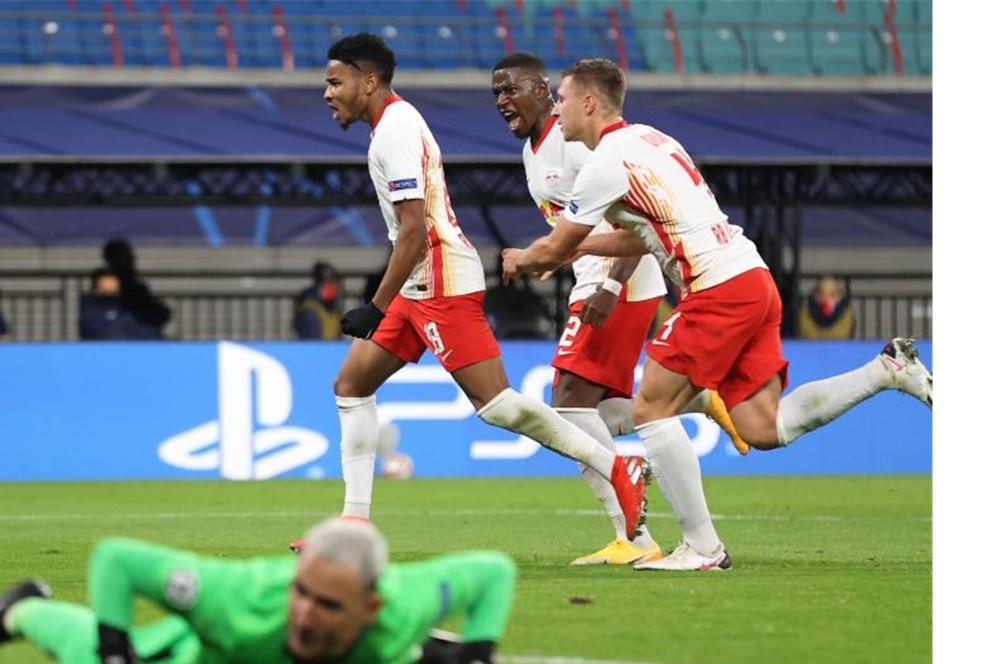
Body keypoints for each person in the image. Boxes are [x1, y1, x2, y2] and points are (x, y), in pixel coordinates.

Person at [502, 58, 932, 571]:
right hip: (751, 274)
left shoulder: (603, 164)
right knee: (764, 426)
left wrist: (523, 258)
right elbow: (634, 234)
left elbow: (554, 249)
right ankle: (884, 371)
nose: (560, 108)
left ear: (589, 103)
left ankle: (703, 548)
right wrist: (560, 253)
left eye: (565, 99)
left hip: (716, 287)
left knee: (649, 409)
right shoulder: (653, 140)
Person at [307, 34, 649, 552]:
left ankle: (616, 467)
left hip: (440, 278)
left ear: (368, 81)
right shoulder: (391, 128)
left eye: (336, 82)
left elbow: (417, 229)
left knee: (498, 407)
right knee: (351, 385)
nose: (328, 93)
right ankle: (354, 523)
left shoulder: (395, 131)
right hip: (421, 280)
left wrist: (375, 306)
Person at [492, 52, 751, 567]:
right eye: (495, 94)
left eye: (511, 89)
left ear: (544, 90)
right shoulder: (536, 150)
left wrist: (609, 285)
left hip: (620, 282)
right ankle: (694, 401)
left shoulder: (583, 149)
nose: (502, 101)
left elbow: (634, 223)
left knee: (566, 402)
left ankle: (632, 532)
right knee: (591, 411)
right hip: (594, 279)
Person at [0, 518, 515, 664]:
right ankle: (21, 609)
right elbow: (117, 558)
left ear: (373, 603)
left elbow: (493, 569)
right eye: (301, 593)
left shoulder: (403, 600)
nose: (304, 613)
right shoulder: (237, 602)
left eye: (327, 604)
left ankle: (427, 654)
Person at [102, 238, 172, 337]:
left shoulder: (131, 283)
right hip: (131, 329)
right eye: (126, 255)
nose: (132, 258)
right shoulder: (111, 282)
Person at [79, 268, 163, 340]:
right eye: (105, 293)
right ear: (95, 291)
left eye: (115, 292)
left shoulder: (133, 316)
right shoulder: (90, 316)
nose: (110, 297)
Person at [293, 261, 344, 340]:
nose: (334, 287)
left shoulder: (333, 308)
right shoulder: (309, 311)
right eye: (327, 282)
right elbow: (312, 341)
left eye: (333, 282)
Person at [796, 275, 855, 339]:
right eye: (821, 293)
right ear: (815, 295)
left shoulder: (846, 314)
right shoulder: (805, 312)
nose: (826, 298)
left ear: (838, 295)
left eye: (833, 294)